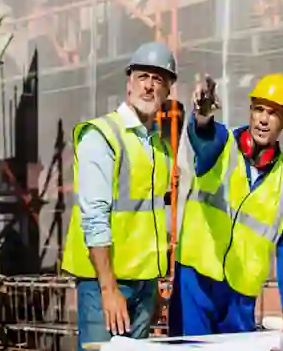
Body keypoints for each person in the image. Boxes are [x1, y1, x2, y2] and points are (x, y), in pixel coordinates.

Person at [169, 73, 283, 336]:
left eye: (272, 113)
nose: (262, 119)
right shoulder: (222, 144)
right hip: (195, 284)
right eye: (258, 109)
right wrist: (202, 116)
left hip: (240, 298)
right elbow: (204, 137)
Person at [61, 42, 176, 350]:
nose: (150, 86)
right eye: (143, 77)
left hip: (144, 285)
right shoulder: (102, 135)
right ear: (129, 83)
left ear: (168, 91)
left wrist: (153, 285)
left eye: (159, 79)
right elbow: (94, 215)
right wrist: (108, 288)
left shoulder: (159, 148)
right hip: (108, 284)